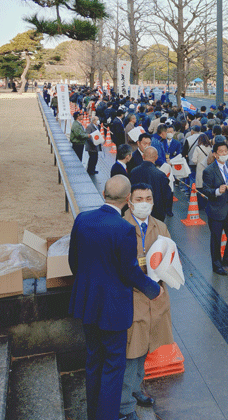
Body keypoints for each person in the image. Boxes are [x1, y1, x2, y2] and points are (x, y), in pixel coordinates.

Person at [68, 175, 161, 420]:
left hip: (87, 304)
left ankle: (93, 414)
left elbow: (73, 262)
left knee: (93, 362)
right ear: (128, 199)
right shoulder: (124, 230)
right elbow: (129, 272)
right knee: (112, 367)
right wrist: (154, 289)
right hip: (114, 311)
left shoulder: (82, 219)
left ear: (103, 193)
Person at [119, 183, 174, 418]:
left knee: (145, 349)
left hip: (155, 297)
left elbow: (170, 257)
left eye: (148, 198)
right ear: (129, 202)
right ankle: (123, 405)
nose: (144, 203)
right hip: (132, 298)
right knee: (131, 351)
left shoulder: (159, 226)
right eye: (139, 198)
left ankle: (135, 389)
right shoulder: (121, 227)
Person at [200, 141, 228, 276]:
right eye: (221, 152)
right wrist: (218, 191)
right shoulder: (209, 170)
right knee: (216, 239)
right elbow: (206, 190)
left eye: (226, 151)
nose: (224, 154)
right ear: (215, 154)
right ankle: (217, 265)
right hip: (216, 208)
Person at [128, 147, 172, 222]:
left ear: (143, 156)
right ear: (156, 157)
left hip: (137, 211)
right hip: (156, 213)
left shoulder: (134, 172)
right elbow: (167, 195)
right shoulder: (160, 175)